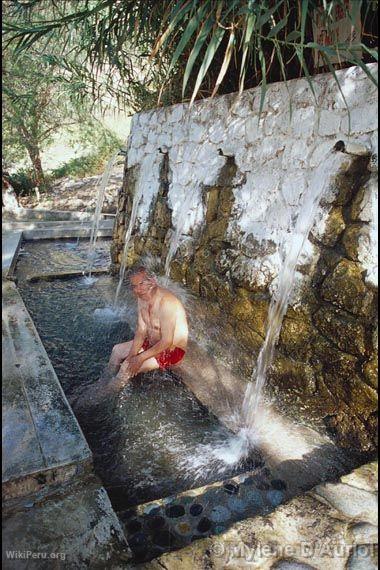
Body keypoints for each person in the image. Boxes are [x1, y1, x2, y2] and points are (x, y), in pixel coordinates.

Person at [105, 265, 188, 392]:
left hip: (171, 350)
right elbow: (141, 330)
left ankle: (102, 396)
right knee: (117, 351)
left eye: (142, 283)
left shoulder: (167, 303)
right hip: (151, 343)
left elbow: (167, 341)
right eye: (134, 286)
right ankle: (103, 381)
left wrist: (139, 358)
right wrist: (131, 355)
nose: (138, 289)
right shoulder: (142, 297)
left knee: (125, 369)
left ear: (153, 281)